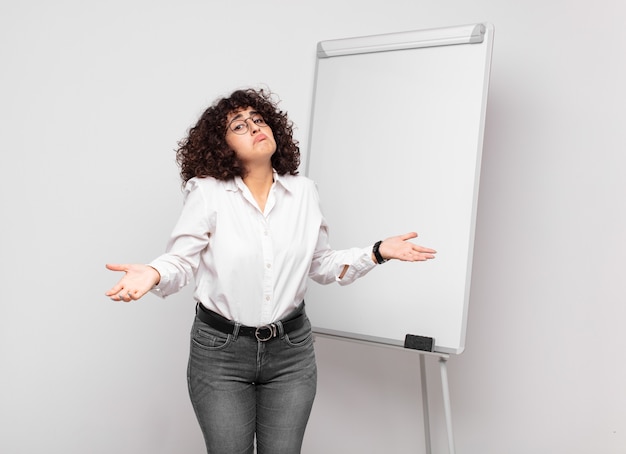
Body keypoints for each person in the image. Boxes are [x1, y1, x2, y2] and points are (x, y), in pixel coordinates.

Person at [105, 88, 436, 454]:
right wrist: (153, 273)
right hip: (220, 352)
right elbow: (182, 260)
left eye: (259, 120)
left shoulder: (304, 193)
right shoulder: (208, 193)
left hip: (290, 352)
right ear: (222, 145)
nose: (255, 127)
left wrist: (376, 252)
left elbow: (321, 265)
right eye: (240, 125)